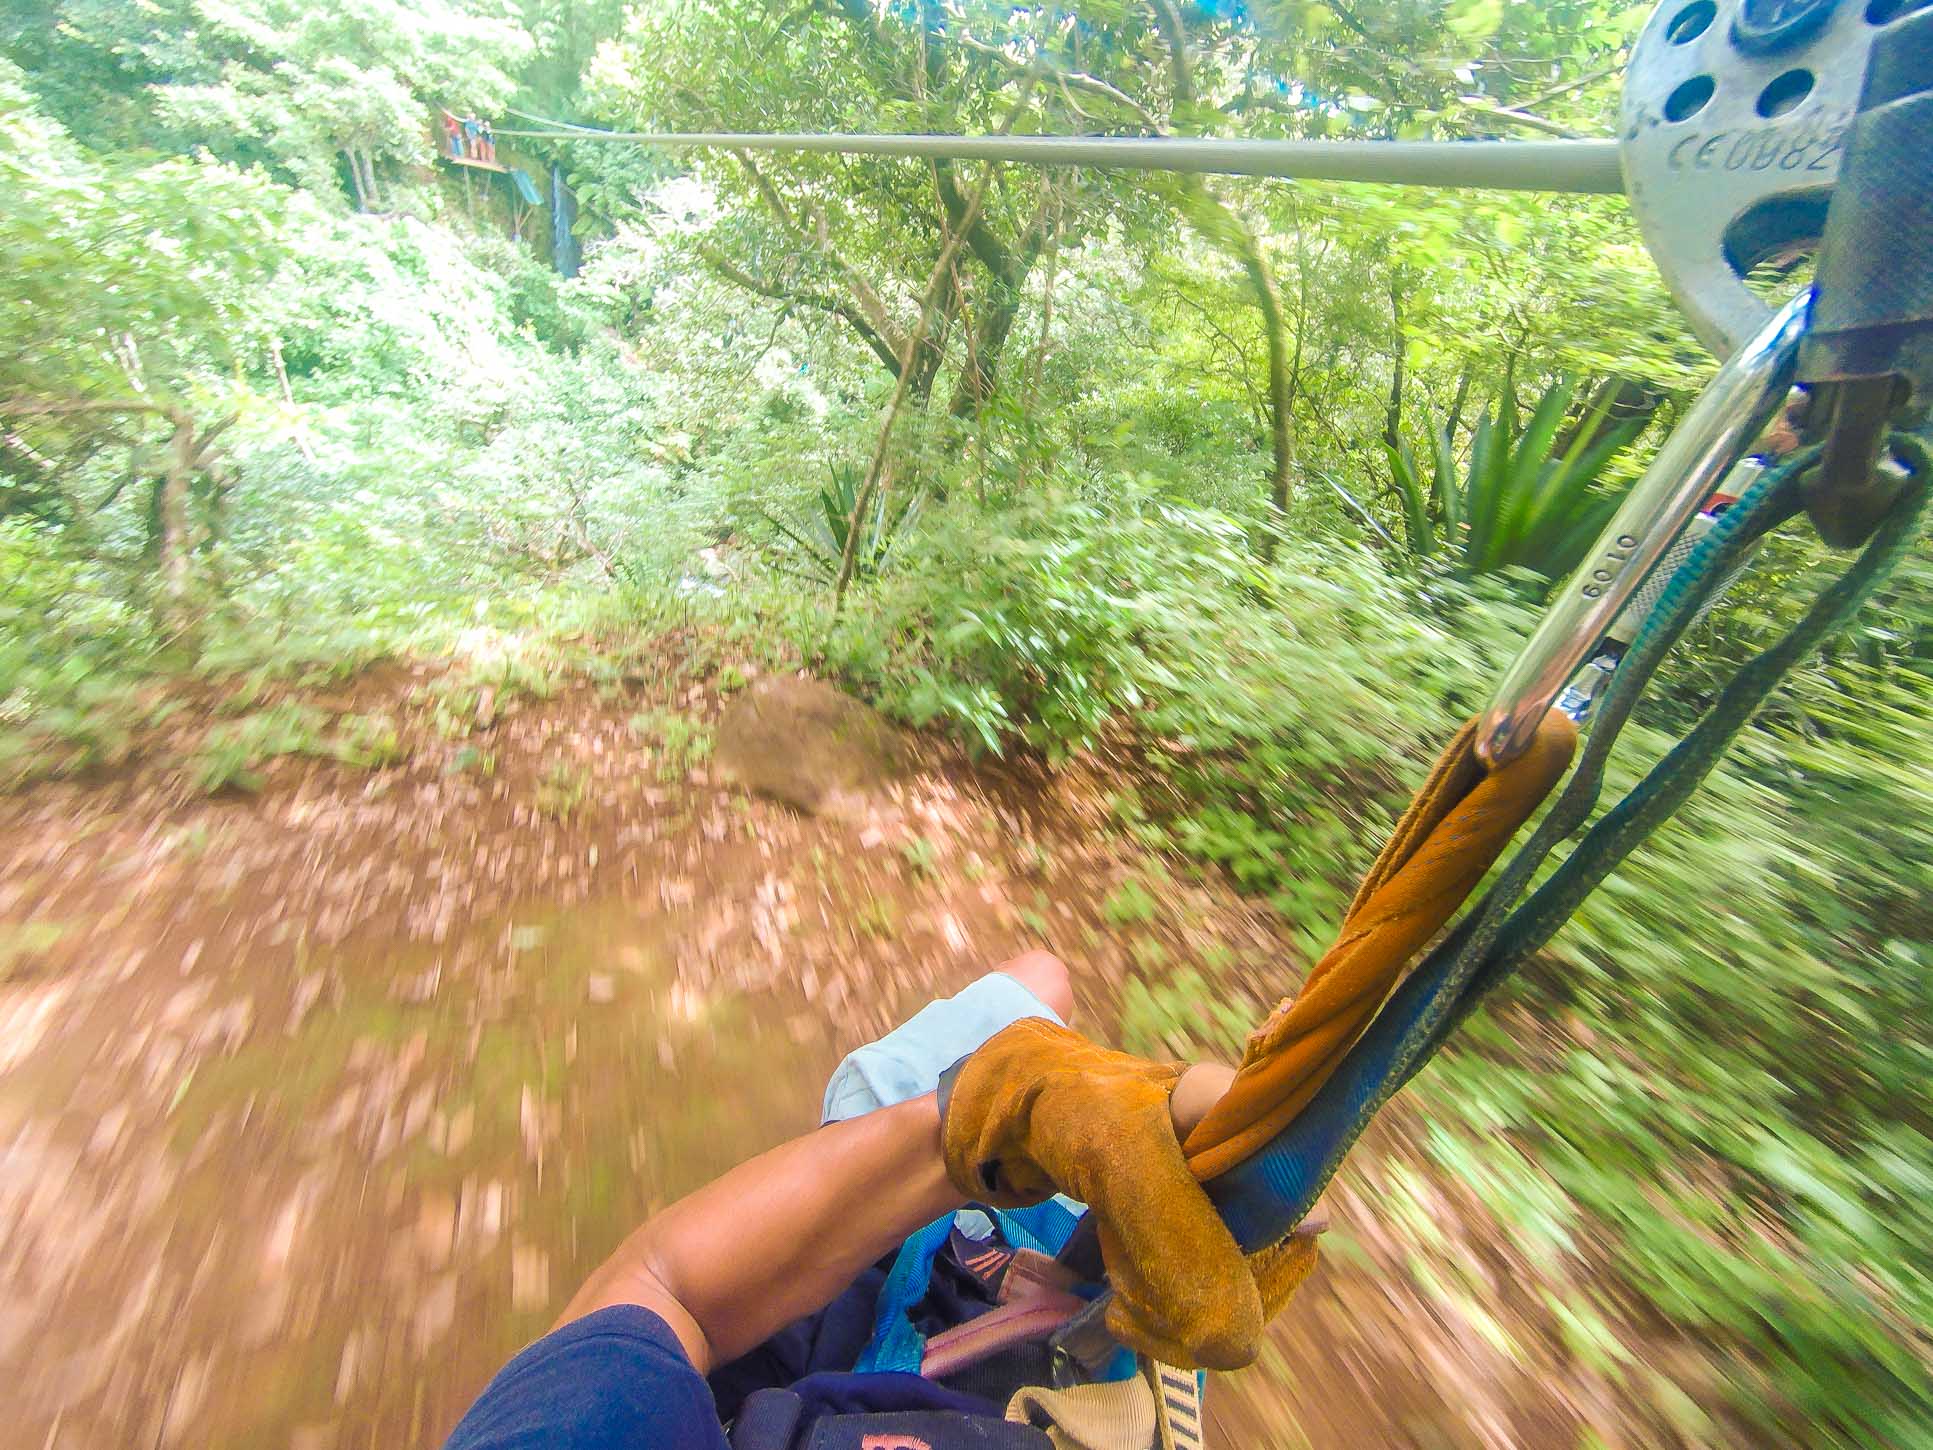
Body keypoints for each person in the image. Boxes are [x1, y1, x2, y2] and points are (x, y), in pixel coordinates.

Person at [441, 951, 1259, 1449]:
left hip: (854, 1288)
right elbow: (662, 1292)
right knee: (1040, 980)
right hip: (995, 1314)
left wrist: (993, 1124)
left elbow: (662, 1293)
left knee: (1040, 979)